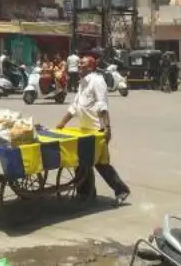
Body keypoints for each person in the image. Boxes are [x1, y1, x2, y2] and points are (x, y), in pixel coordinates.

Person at [55, 55, 130, 206]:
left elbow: (102, 106)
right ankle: (86, 193)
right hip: (84, 129)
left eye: (82, 64)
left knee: (100, 163)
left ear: (91, 67)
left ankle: (121, 190)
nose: (79, 67)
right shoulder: (82, 83)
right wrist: (61, 124)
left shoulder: (97, 82)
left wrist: (107, 128)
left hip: (97, 129)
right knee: (80, 160)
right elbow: (74, 107)